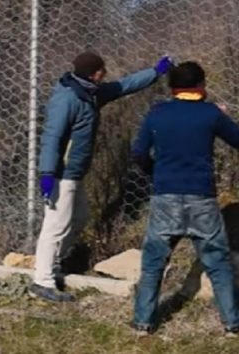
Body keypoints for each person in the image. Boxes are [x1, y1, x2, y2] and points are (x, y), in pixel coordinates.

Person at [31, 51, 173, 302]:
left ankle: (52, 265)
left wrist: (156, 72)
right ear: (93, 73)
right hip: (62, 174)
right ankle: (42, 280)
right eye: (102, 69)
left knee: (79, 218)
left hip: (75, 173)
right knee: (56, 225)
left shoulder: (91, 93)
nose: (105, 72)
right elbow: (52, 136)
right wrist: (47, 172)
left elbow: (124, 86)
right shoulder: (67, 99)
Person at [129, 61, 239, 337]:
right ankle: (233, 322)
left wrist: (156, 173)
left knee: (153, 263)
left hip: (165, 197)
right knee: (217, 262)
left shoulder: (157, 114)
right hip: (201, 198)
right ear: (201, 85)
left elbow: (138, 153)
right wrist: (221, 116)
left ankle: (143, 321)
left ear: (172, 88)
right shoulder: (210, 114)